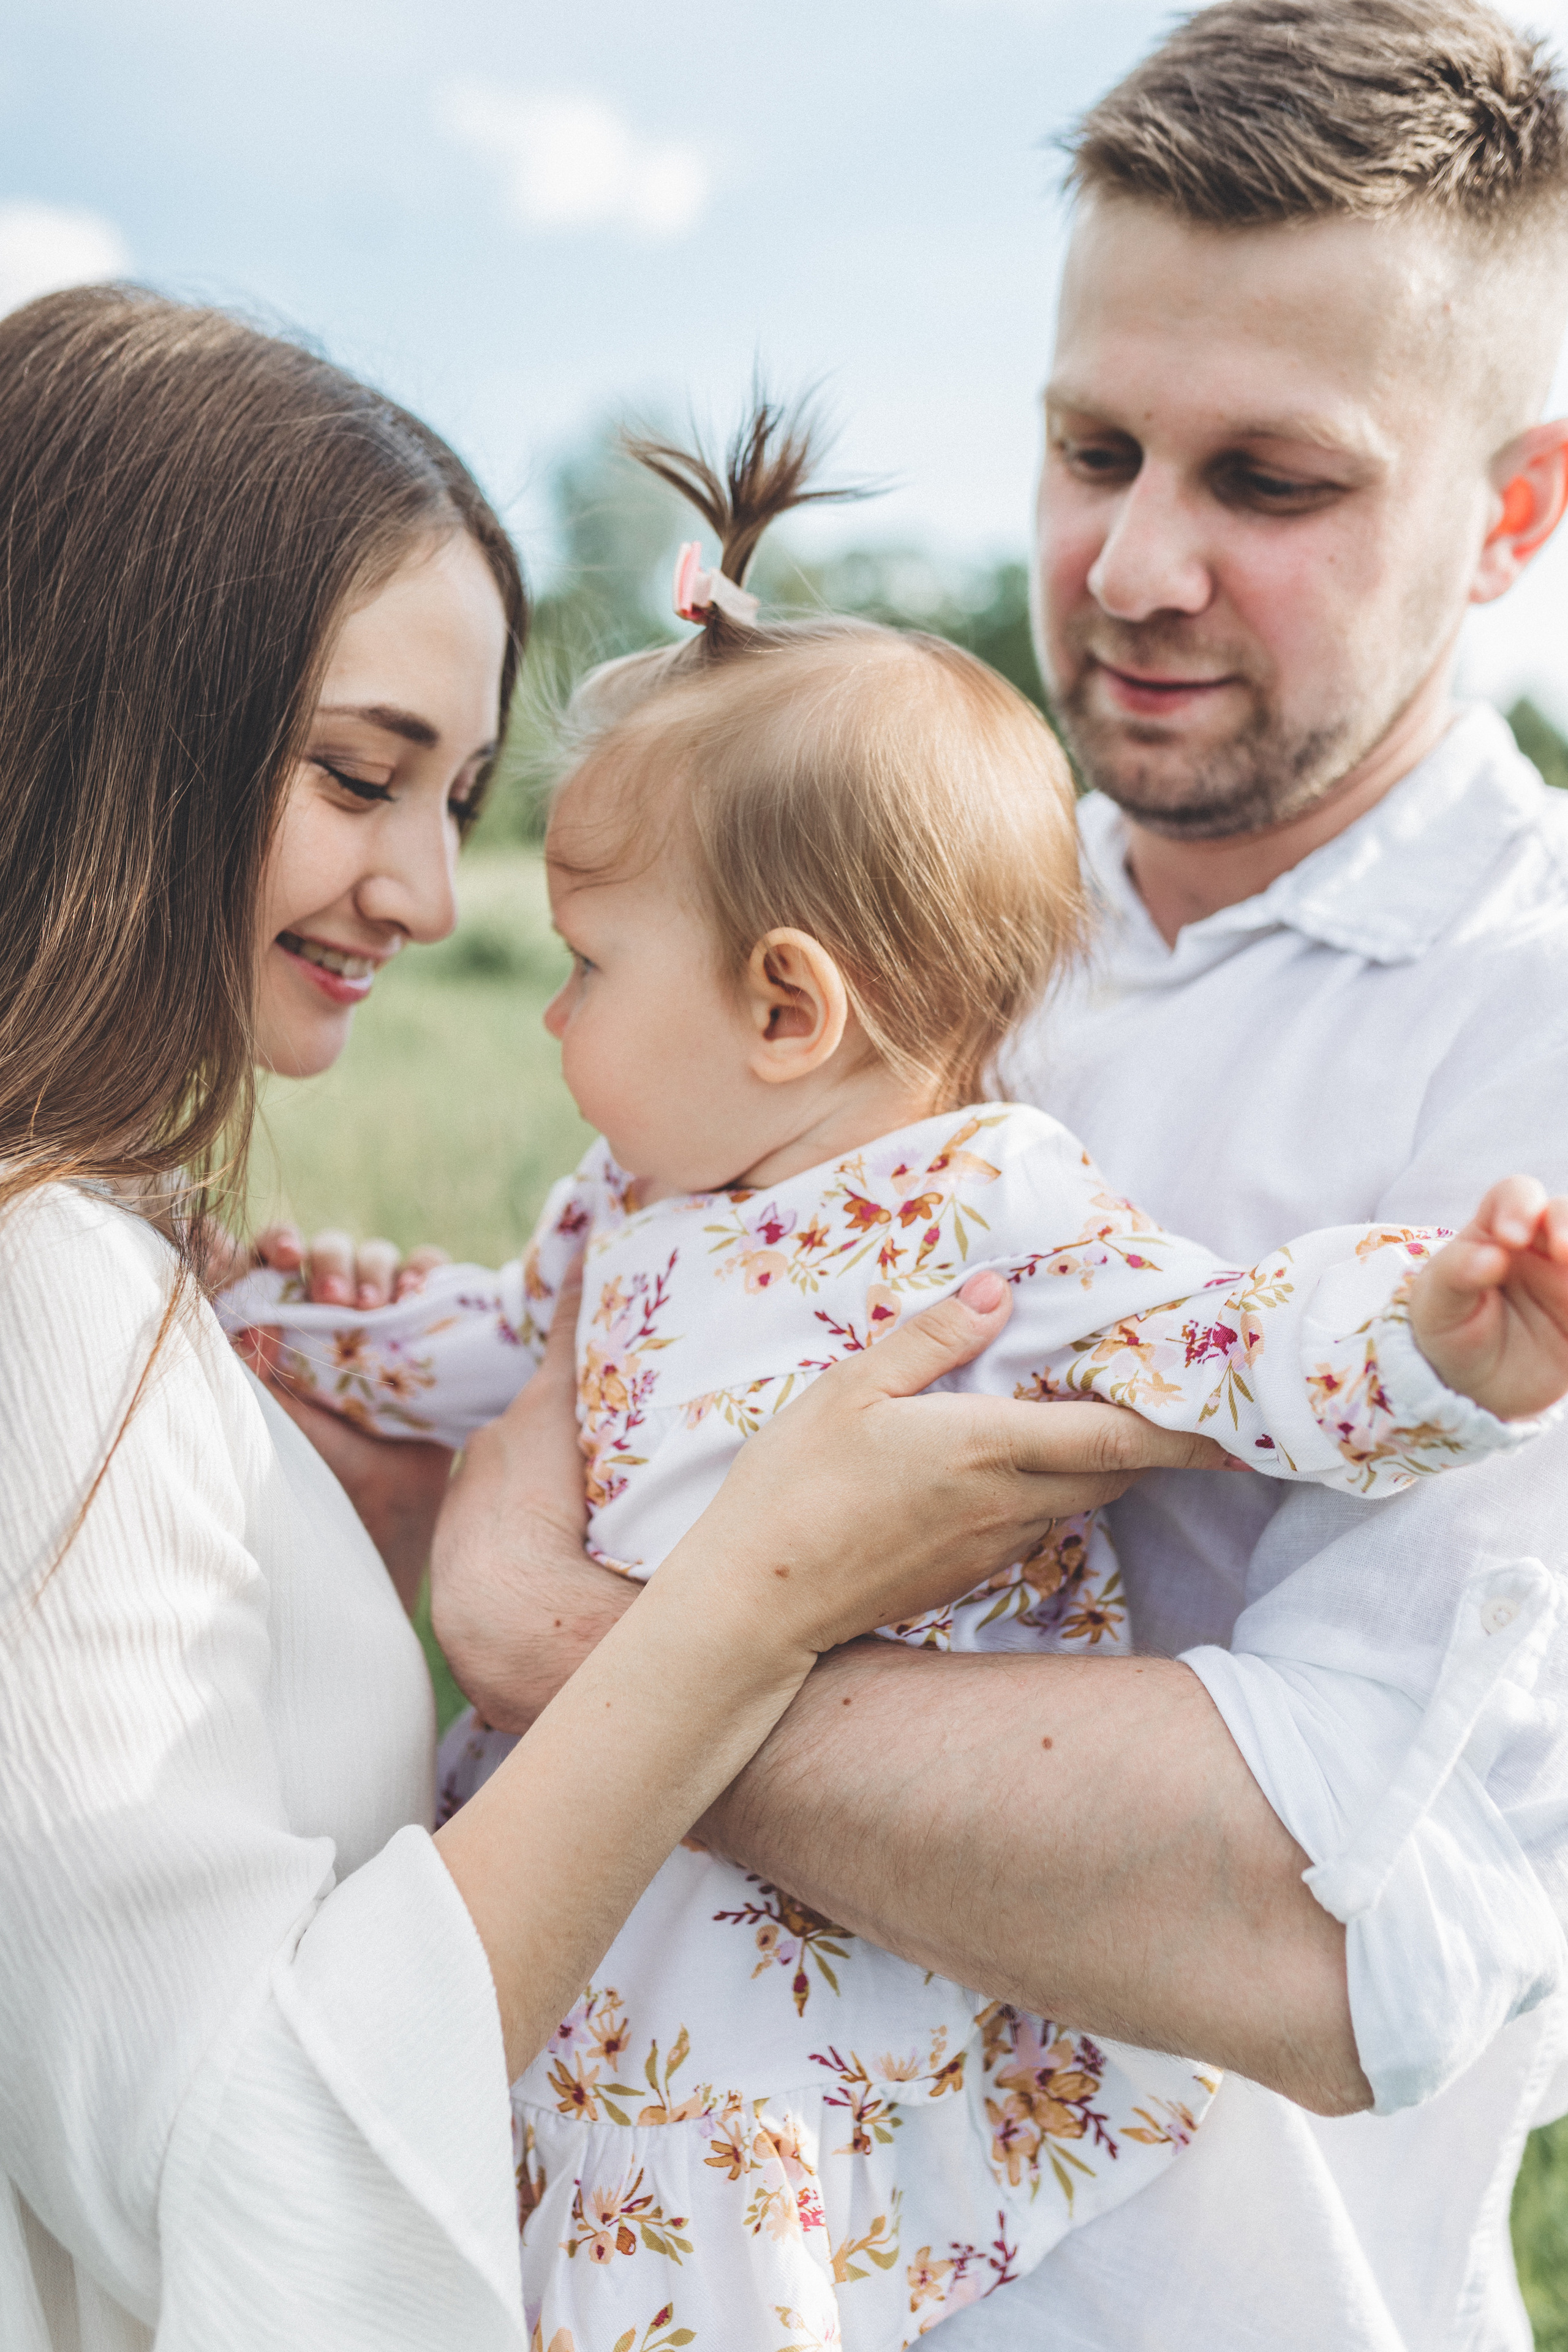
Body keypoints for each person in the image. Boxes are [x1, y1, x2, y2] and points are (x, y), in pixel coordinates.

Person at [409, 5, 1568, 2344]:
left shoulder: (1527, 1030)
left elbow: (1331, 1918)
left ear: (1515, 515)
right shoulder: (916, 890)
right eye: (1093, 443)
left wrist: (563, 1644)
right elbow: (620, 1331)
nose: (1132, 563)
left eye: (1272, 482)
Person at [0, 286, 1160, 2352]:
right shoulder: (35, 1290)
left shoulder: (112, 1255)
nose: (438, 898)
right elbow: (244, 2191)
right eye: (362, 776)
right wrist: (745, 1601)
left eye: (452, 800)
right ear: (100, 720)